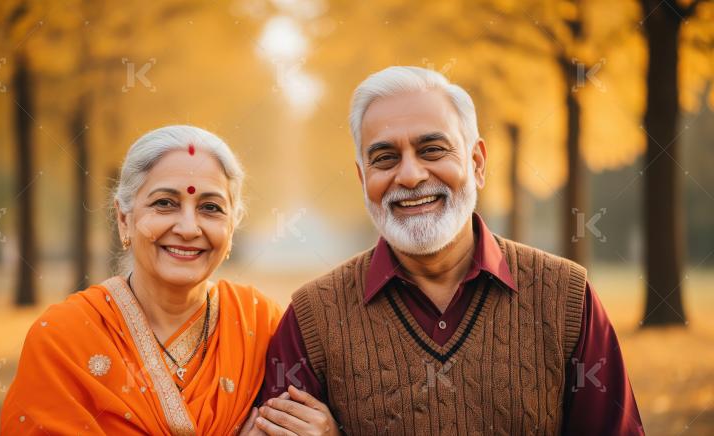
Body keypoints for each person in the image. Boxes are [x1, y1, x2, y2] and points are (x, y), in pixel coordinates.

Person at [258, 66, 645, 435]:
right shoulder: (310, 319)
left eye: (432, 150)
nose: (410, 176)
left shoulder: (566, 298)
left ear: (476, 163)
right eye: (385, 158)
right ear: (363, 178)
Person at [1, 125, 330, 435]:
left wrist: (329, 431)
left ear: (232, 225)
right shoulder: (63, 340)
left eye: (211, 207)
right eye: (164, 203)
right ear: (123, 218)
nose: (188, 228)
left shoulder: (261, 324)